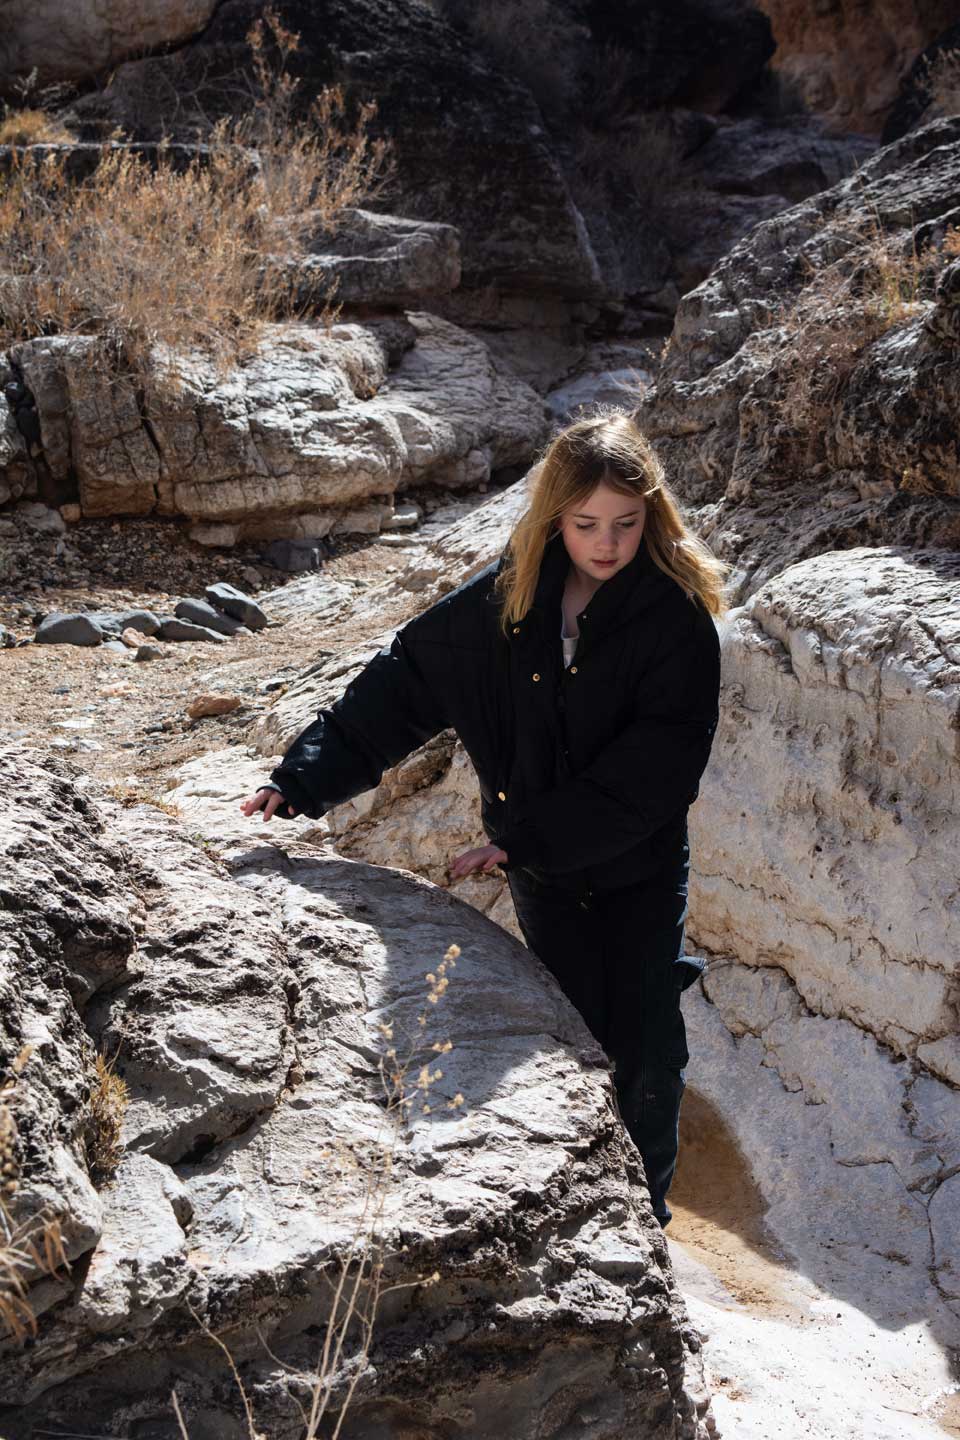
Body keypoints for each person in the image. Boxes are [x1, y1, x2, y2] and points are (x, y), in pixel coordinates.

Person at [240, 412, 727, 1227]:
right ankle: (585, 1197)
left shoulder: (676, 620)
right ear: (554, 517)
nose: (607, 543)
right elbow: (404, 683)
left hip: (638, 868)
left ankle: (644, 1218)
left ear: (653, 516)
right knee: (574, 1028)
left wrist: (523, 839)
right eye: (586, 524)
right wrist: (302, 779)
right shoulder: (508, 600)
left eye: (626, 523)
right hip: (538, 869)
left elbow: (655, 772)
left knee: (647, 1043)